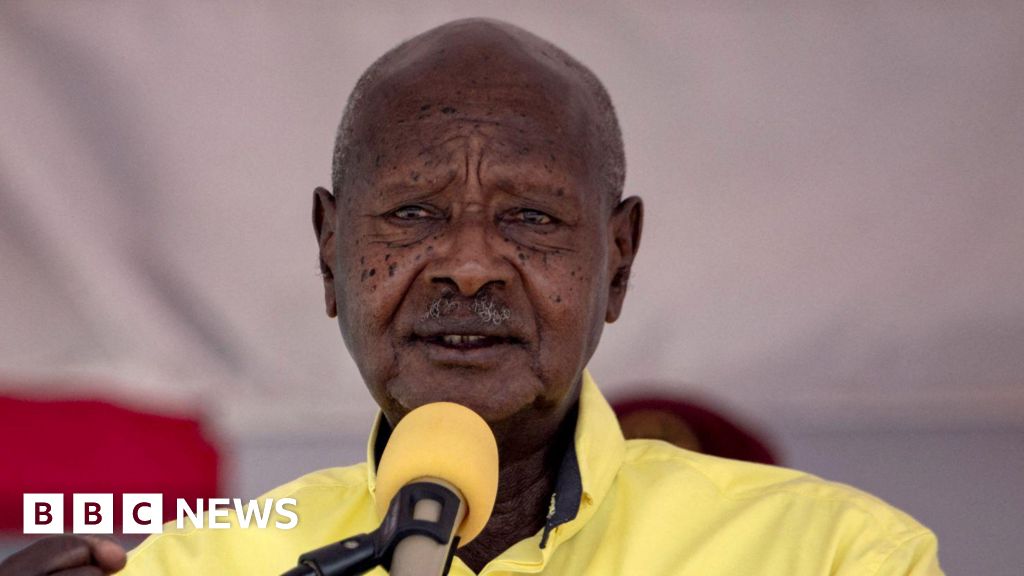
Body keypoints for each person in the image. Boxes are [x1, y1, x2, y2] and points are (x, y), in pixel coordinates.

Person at [0, 18, 943, 576]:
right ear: (330, 253)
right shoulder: (198, 566)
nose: (469, 266)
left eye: (531, 218)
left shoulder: (836, 556)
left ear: (617, 261)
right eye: (413, 212)